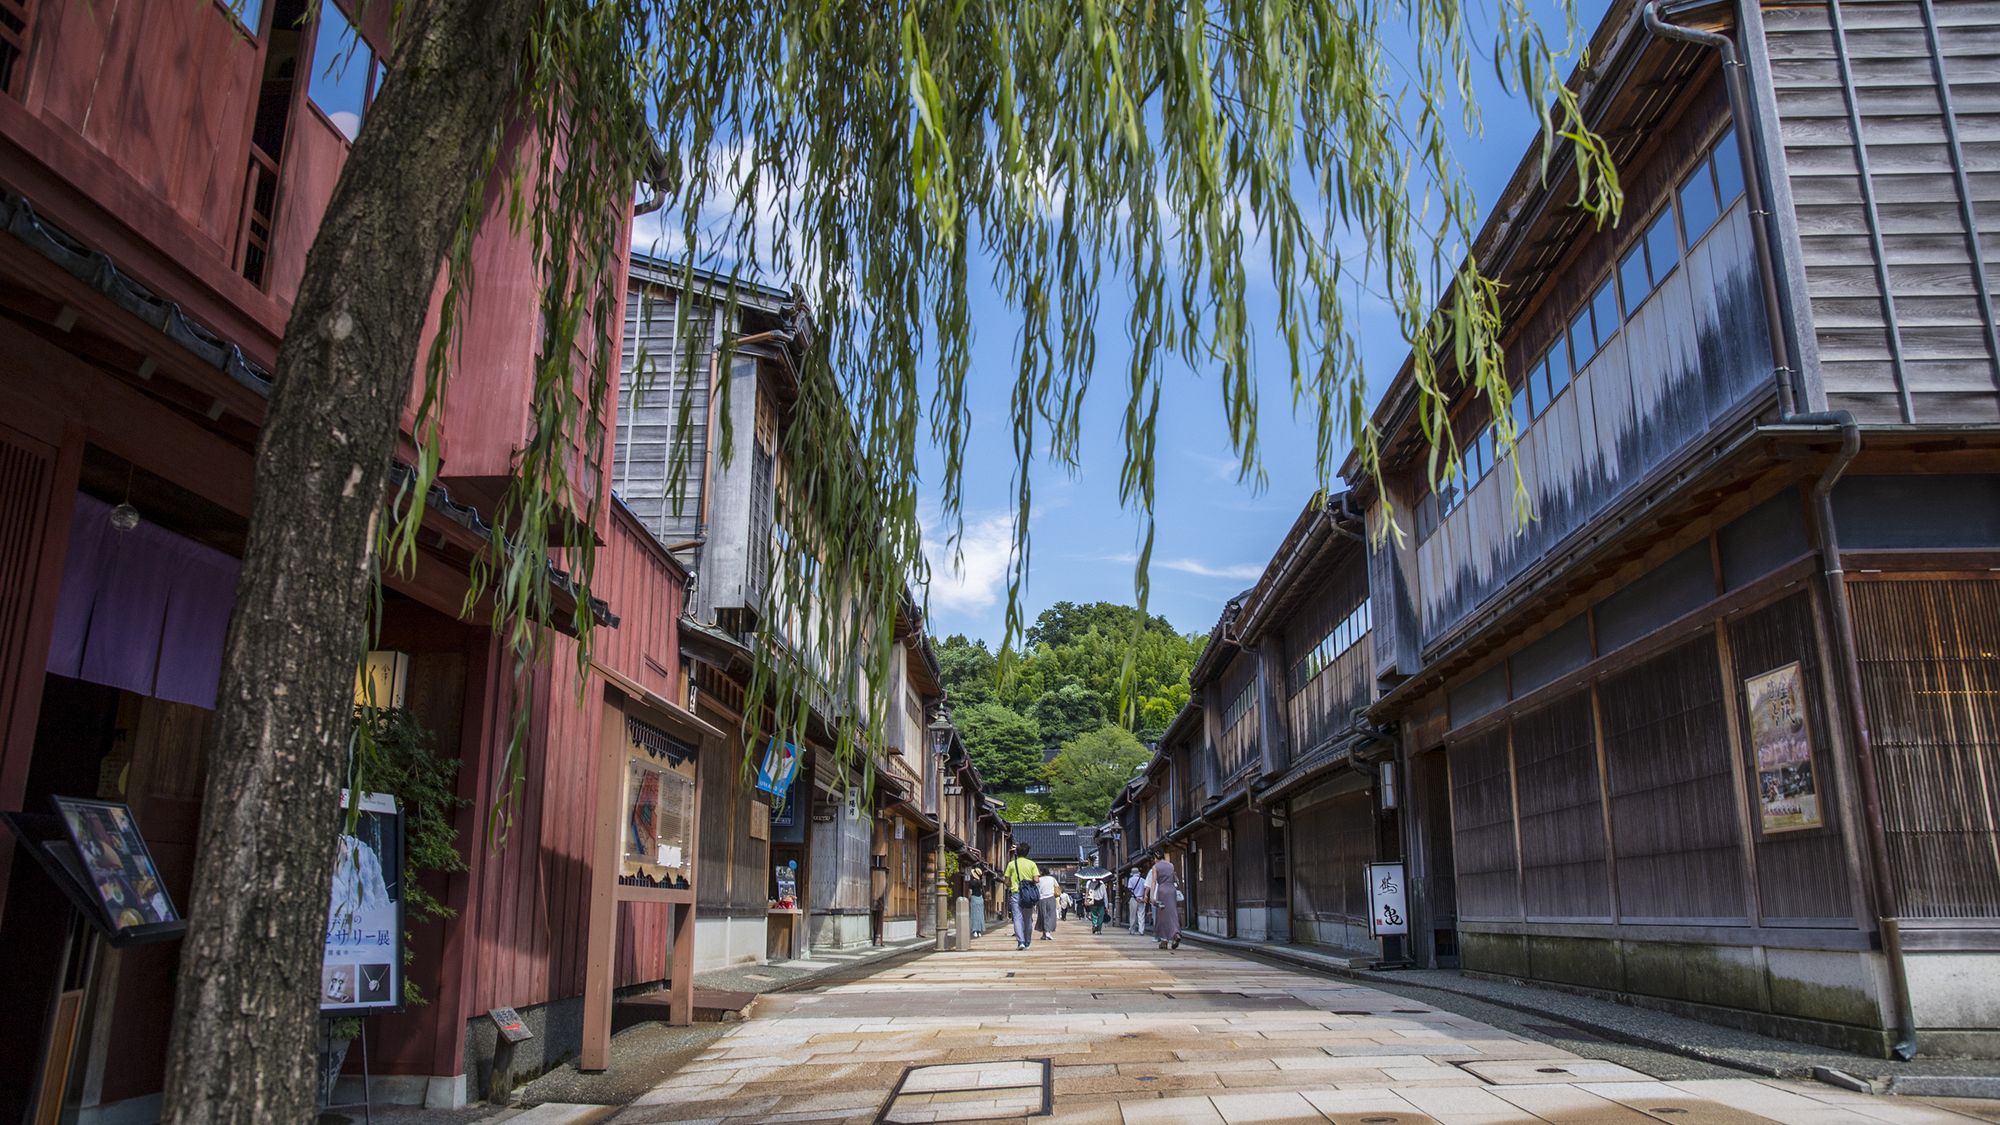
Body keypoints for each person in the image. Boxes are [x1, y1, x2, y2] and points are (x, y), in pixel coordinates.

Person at [1003, 843, 1040, 951]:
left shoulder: (1011, 864)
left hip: (1016, 893)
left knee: (1017, 918)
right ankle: (1027, 942)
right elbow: (1036, 879)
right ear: (1027, 852)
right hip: (1028, 894)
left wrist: (1012, 883)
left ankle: (1021, 942)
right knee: (1028, 919)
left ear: (1017, 852)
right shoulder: (1032, 864)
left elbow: (1006, 881)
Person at [1145, 856, 1182, 951]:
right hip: (1172, 890)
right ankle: (1176, 933)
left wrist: (1151, 896)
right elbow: (1175, 879)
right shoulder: (1171, 865)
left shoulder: (1155, 867)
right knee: (1172, 913)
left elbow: (1153, 882)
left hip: (1162, 890)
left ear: (1156, 857)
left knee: (1162, 915)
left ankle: (1164, 941)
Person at [1035, 870, 1060, 940]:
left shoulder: (1039, 880)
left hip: (1041, 899)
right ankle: (1047, 933)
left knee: (1042, 916)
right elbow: (1057, 886)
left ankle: (1045, 933)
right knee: (1050, 916)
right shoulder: (1052, 879)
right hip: (1051, 898)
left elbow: (1036, 889)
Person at [1126, 867, 1148, 935]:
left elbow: (1130, 890)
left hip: (1134, 898)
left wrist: (1135, 897)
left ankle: (1132, 930)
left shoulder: (1131, 879)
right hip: (1141, 898)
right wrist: (1143, 896)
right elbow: (1145, 888)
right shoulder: (1142, 880)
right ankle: (1141, 930)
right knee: (1141, 915)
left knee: (1132, 915)